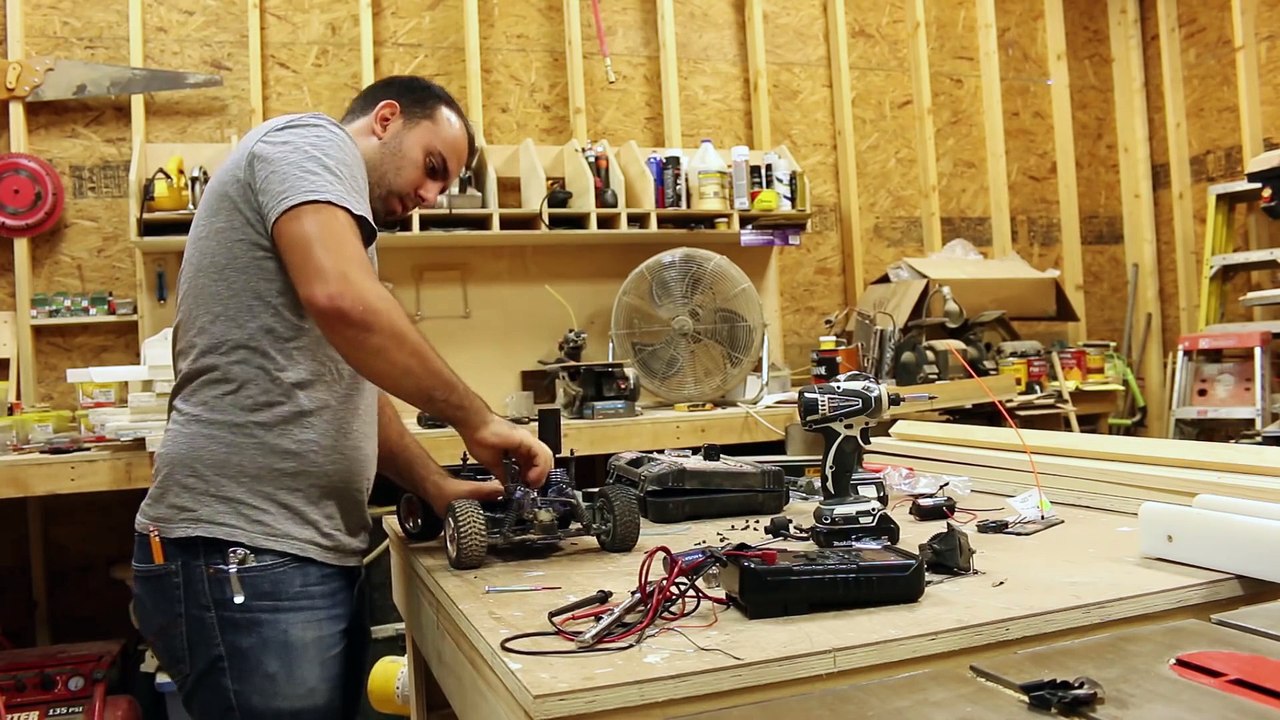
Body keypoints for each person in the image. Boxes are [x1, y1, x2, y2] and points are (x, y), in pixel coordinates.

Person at [129, 76, 554, 720]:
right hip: (247, 551)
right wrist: (477, 420)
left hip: (297, 552)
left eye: (444, 186)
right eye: (432, 167)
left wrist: (434, 484)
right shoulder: (308, 143)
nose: (431, 196)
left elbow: (347, 381)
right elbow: (344, 302)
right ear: (386, 120)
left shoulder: (341, 225)